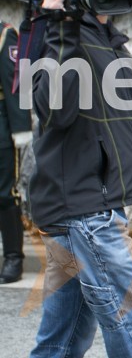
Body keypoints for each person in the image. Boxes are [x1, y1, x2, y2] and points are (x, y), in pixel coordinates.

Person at [28, 0, 132, 357]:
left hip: (94, 209)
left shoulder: (111, 43)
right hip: (85, 213)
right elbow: (55, 112)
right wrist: (59, 24)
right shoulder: (52, 33)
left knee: (61, 343)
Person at [0, 21, 32, 285]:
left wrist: (20, 130)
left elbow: (15, 84)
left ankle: (13, 257)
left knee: (4, 194)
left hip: (0, 131)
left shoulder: (4, 35)